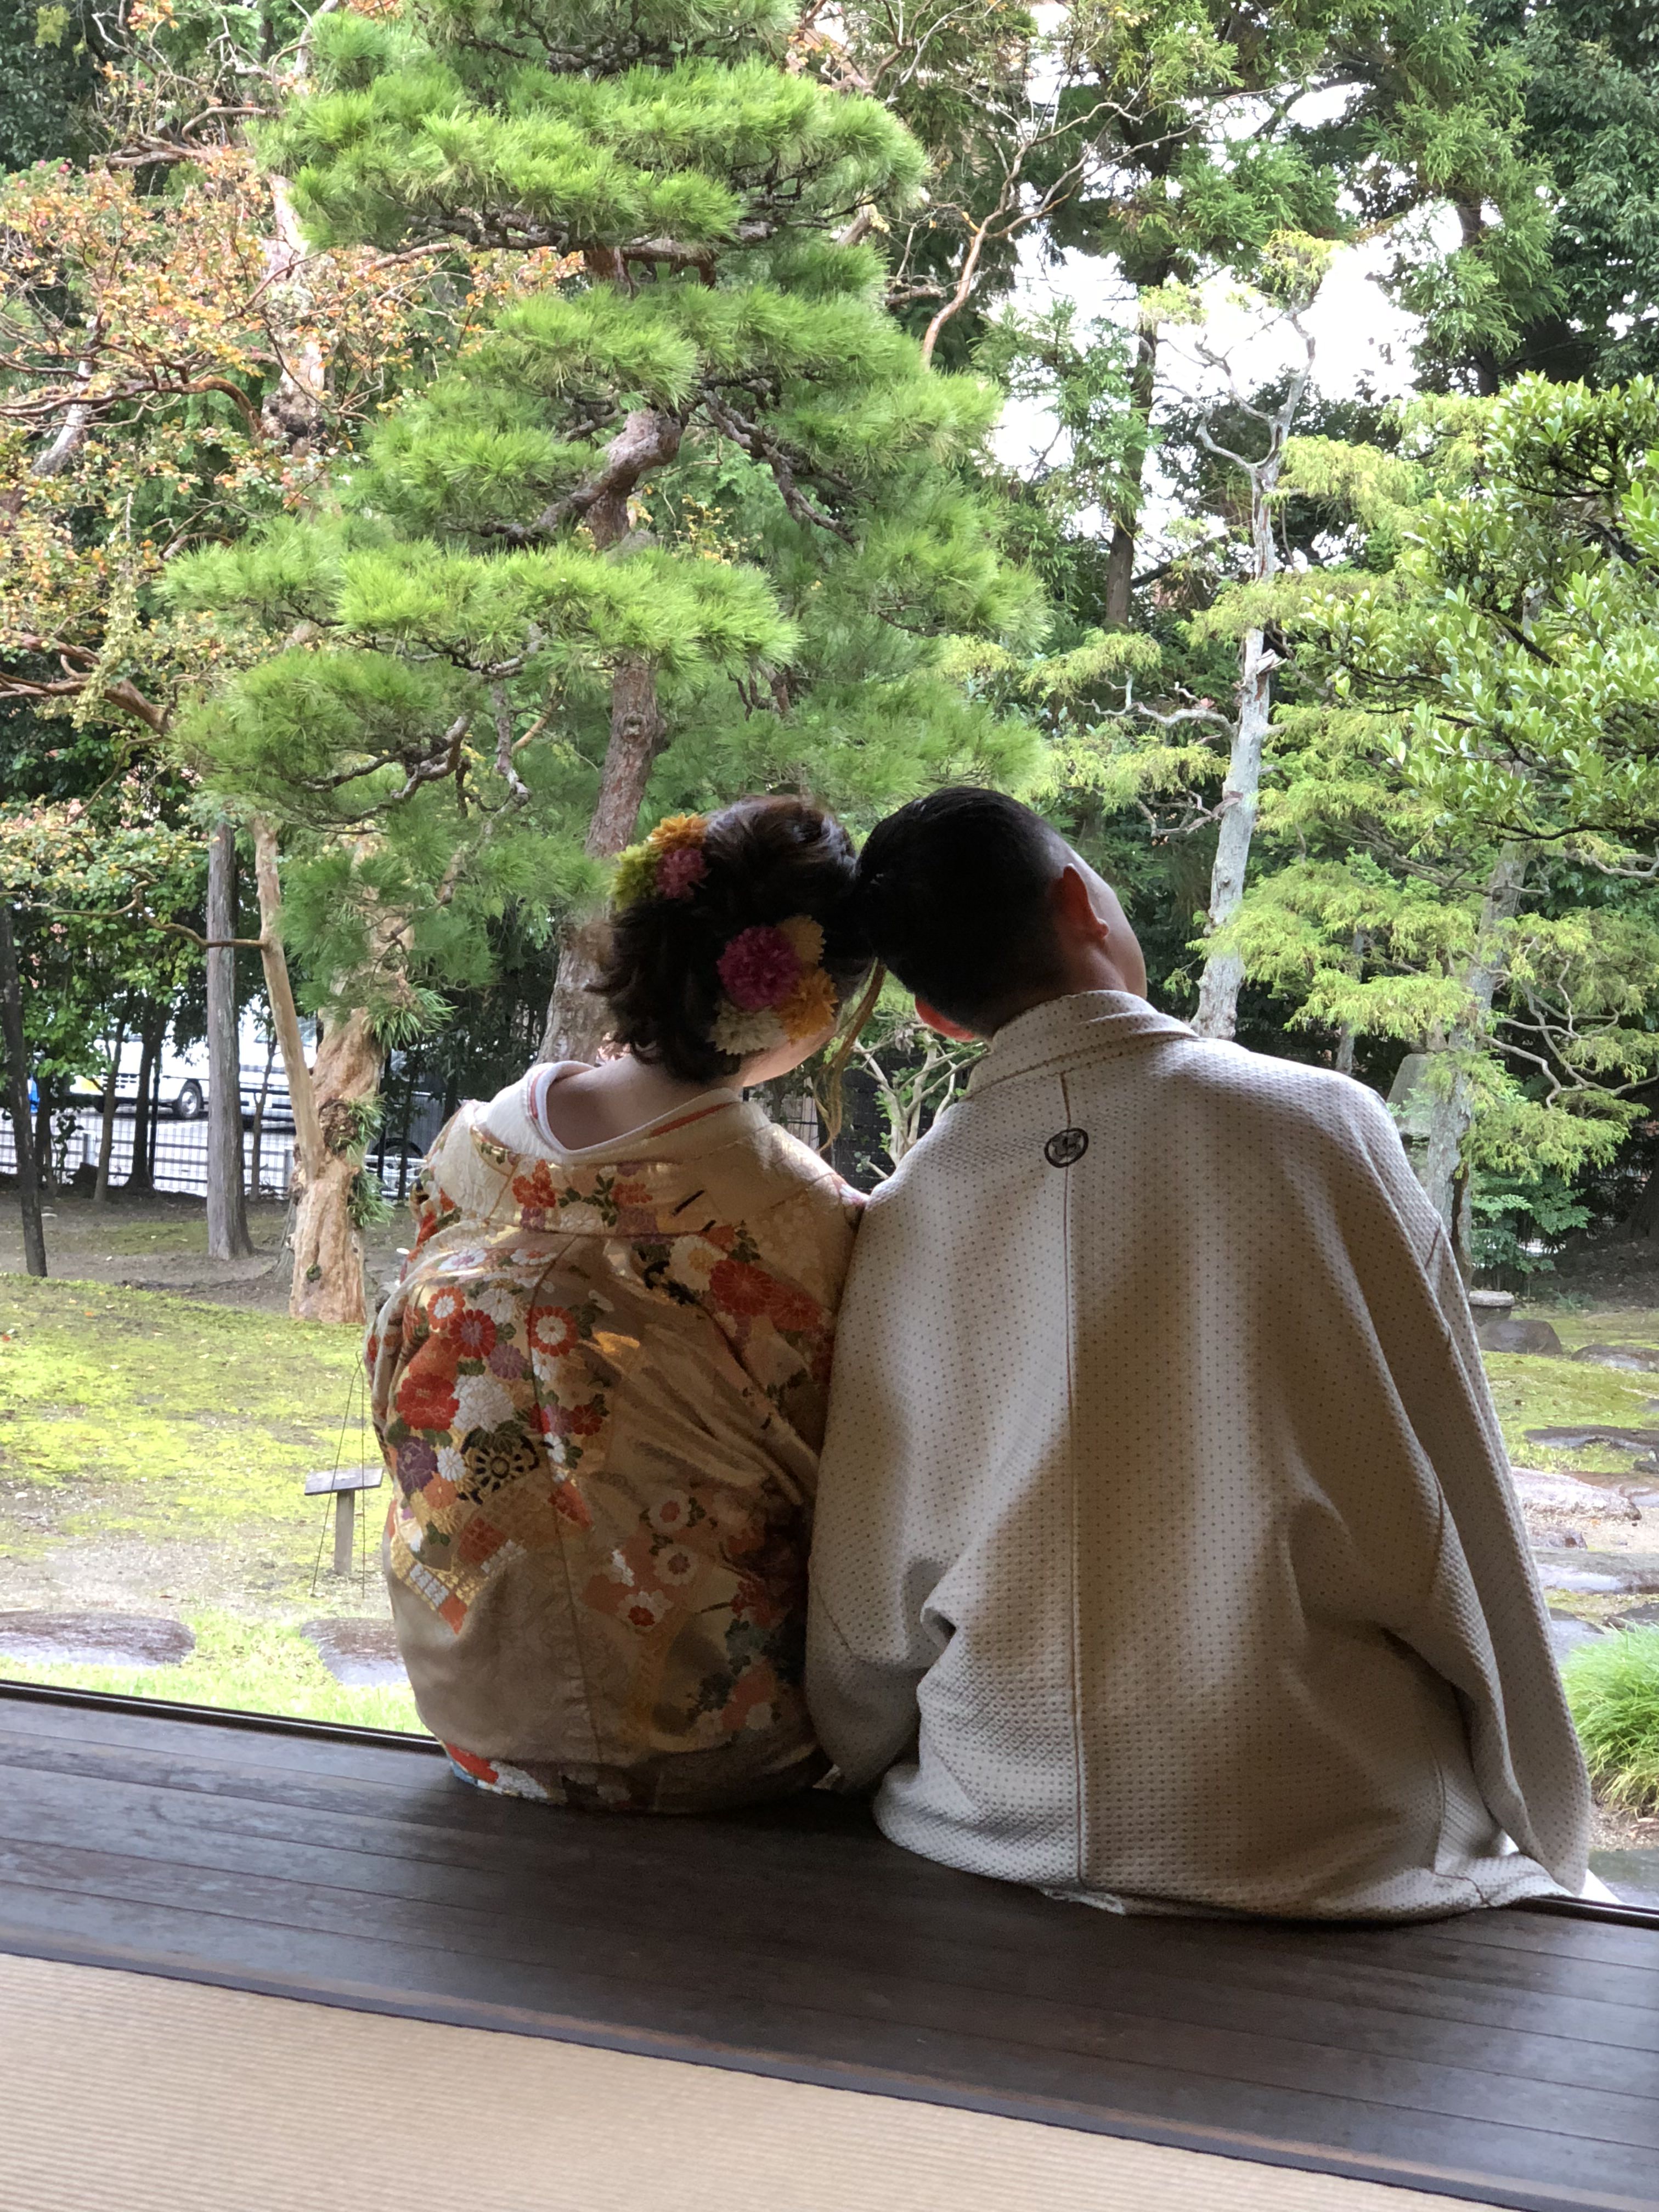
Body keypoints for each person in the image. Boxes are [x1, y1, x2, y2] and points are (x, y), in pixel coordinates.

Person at [805, 787, 1592, 1918]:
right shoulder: (1318, 1126)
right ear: (1084, 901)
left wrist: (859, 1746)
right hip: (1327, 1820)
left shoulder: (909, 1209)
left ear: (934, 1017)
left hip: (990, 1815)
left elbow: (869, 1596)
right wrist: (1545, 1809)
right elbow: (1458, 1498)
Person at [369, 797, 870, 1813]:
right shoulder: (797, 1217)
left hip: (478, 1717)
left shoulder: (472, 1152)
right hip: (722, 1751)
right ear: (812, 1008)